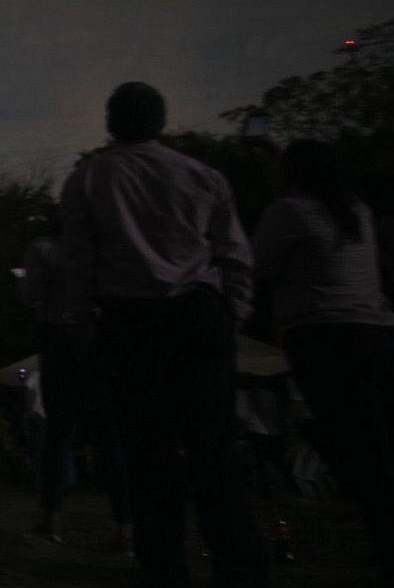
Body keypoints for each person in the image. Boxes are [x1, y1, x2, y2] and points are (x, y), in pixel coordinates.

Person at [59, 82, 267, 587]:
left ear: (112, 123)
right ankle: (237, 565)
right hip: (197, 314)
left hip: (131, 322)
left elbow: (79, 264)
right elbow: (235, 254)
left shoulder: (89, 178)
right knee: (213, 450)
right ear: (161, 121)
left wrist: (84, 327)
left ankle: (164, 567)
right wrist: (228, 315)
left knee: (148, 455)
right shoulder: (200, 175)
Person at [253, 139, 394, 584]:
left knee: (350, 438)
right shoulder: (356, 212)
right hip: (373, 329)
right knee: (372, 434)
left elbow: (258, 266)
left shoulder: (290, 212)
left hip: (322, 332)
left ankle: (383, 535)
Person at [18, 232, 132, 551]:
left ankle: (51, 518)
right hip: (98, 338)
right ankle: (124, 526)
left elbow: (30, 295)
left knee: (57, 433)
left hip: (60, 338)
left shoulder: (45, 248)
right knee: (108, 437)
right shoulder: (105, 247)